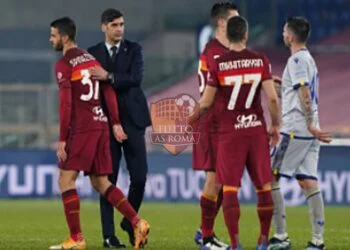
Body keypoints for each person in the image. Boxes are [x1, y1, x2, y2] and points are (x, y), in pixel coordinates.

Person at [48, 17, 150, 250]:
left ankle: (76, 238)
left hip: (82, 129)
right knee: (101, 182)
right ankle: (137, 222)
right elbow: (109, 92)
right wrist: (113, 122)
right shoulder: (90, 59)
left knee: (65, 180)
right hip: (101, 125)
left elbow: (65, 106)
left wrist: (63, 139)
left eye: (53, 35)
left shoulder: (65, 64)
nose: (50, 40)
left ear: (64, 37)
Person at [190, 16, 281, 250]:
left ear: (228, 35)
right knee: (263, 186)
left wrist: (191, 118)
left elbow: (207, 102)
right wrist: (275, 126)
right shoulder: (260, 60)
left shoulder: (219, 64)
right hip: (255, 130)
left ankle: (235, 243)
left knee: (230, 188)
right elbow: (271, 97)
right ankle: (262, 240)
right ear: (246, 34)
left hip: (230, 134)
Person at [87, 8, 151, 248]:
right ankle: (108, 235)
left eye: (122, 24)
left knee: (140, 178)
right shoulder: (92, 53)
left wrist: (109, 76)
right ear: (104, 27)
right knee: (107, 179)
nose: (120, 29)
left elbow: (136, 78)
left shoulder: (134, 50)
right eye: (114, 25)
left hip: (133, 121)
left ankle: (128, 220)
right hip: (104, 124)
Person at [268, 16, 331, 250]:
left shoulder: (296, 60)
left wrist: (310, 125)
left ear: (291, 36)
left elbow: (304, 93)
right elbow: (299, 93)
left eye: (285, 31)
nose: (283, 34)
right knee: (308, 182)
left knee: (269, 176)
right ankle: (317, 241)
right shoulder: (308, 60)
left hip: (297, 128)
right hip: (309, 128)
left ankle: (281, 236)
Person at [193, 2, 239, 250]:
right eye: (235, 18)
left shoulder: (223, 50)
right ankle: (207, 238)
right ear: (222, 22)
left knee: (221, 179)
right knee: (214, 180)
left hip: (224, 122)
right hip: (212, 122)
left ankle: (205, 231)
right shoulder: (215, 52)